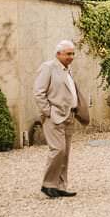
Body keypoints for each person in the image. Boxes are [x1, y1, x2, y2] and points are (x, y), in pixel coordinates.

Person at [32, 39, 90, 198]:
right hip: (54, 116)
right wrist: (49, 112)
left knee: (65, 153)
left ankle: (60, 186)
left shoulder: (67, 70)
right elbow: (39, 93)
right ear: (58, 54)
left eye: (73, 53)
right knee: (57, 150)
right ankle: (47, 185)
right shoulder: (48, 68)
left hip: (69, 115)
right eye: (68, 54)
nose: (71, 56)